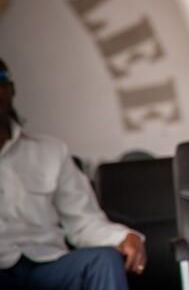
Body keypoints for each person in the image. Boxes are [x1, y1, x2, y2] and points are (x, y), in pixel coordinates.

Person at [0, 59, 146, 290]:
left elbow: (83, 222)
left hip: (47, 265)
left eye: (0, 80)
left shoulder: (51, 151)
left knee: (103, 261)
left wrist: (123, 237)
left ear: (11, 88)